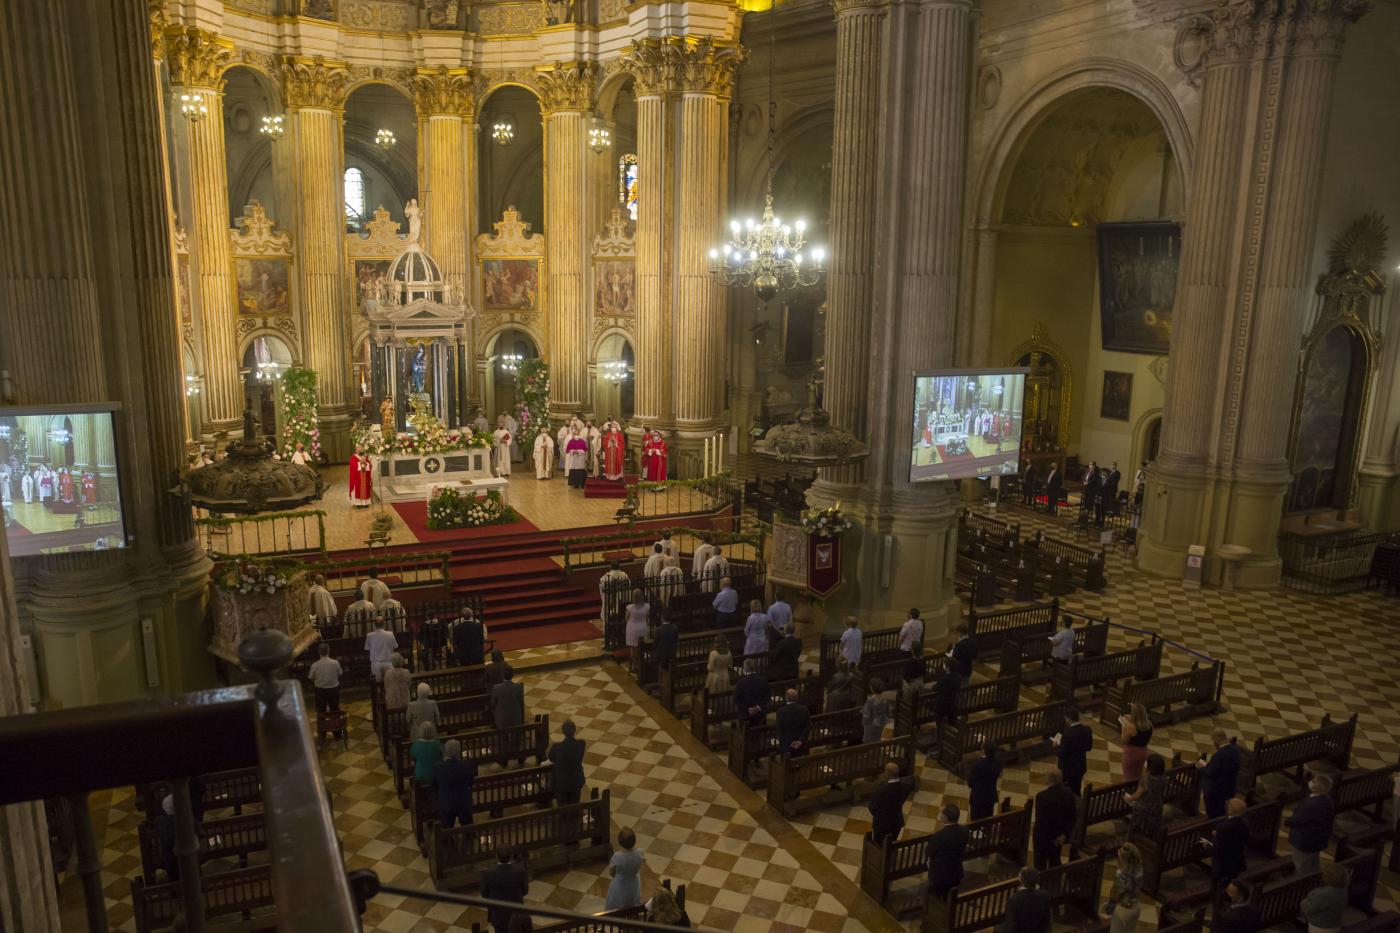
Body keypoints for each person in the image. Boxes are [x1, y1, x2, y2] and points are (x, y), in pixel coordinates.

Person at [1286, 773, 1335, 875]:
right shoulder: (1327, 799)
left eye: (1315, 782)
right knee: (1313, 864)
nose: (1312, 782)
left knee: (1301, 867)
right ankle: (1313, 882)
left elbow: (1298, 820)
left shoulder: (1311, 805)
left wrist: (1288, 821)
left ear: (1319, 788)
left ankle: (1302, 887)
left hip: (1304, 841)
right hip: (1316, 839)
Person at [1032, 769, 1077, 869]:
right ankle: (1054, 881)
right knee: (1055, 859)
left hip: (1043, 837)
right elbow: (1073, 817)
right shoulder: (1069, 794)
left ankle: (1040, 880)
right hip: (1060, 836)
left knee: (1040, 864)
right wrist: (1064, 835)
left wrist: (1052, 837)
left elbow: (1041, 821)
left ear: (1049, 780)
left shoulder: (1041, 797)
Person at [924, 803, 970, 899]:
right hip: (956, 870)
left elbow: (928, 852)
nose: (939, 815)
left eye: (941, 813)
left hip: (940, 874)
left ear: (945, 818)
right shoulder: (965, 830)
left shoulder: (939, 836)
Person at [1204, 796, 1250, 884]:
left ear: (1231, 810)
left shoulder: (1223, 827)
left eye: (1229, 805)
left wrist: (1207, 845)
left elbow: (1217, 851)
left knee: (1218, 885)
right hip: (1237, 861)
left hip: (1222, 865)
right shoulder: (1245, 823)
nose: (1227, 805)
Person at [1198, 728, 1242, 818]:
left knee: (1214, 814)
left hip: (1217, 791)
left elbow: (1211, 773)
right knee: (1224, 811)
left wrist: (1201, 768)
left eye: (1214, 741)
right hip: (1231, 787)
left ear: (1217, 741)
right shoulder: (1235, 751)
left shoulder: (1219, 755)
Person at [867, 762, 914, 844]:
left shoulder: (882, 790)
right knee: (891, 845)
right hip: (896, 822)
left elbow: (872, 808)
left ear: (887, 774)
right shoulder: (905, 787)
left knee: (878, 846)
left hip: (882, 824)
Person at [481, 850, 529, 932]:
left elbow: (484, 894)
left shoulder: (489, 873)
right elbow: (525, 891)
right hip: (516, 915)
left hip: (498, 916)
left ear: (496, 856)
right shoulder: (520, 871)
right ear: (511, 857)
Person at [995, 867, 1052, 933]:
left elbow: (1011, 925)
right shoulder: (1044, 895)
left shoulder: (1014, 899)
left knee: (997, 928)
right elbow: (1047, 921)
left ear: (1020, 879)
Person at [1103, 842, 1143, 933]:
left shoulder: (1121, 875)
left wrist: (1109, 908)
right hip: (1135, 907)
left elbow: (1115, 894)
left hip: (1122, 911)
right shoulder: (1139, 871)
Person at [1126, 753, 1167, 840]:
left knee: (1137, 831)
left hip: (1144, 809)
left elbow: (1137, 795)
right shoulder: (1163, 777)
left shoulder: (1147, 779)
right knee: (1152, 829)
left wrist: (1129, 798)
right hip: (1156, 806)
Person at [1053, 707, 1094, 795]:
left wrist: (1056, 746)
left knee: (1067, 791)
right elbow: (1089, 748)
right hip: (1080, 766)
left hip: (1068, 768)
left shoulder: (1068, 733)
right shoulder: (1087, 730)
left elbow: (1062, 754)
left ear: (1068, 718)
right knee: (1077, 788)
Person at [1301, 861, 1350, 933]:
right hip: (1335, 924)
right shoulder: (1343, 889)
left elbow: (1308, 910)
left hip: (1320, 927)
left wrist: (1304, 904)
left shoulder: (1323, 894)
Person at [547, 719, 586, 805]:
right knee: (574, 806)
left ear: (563, 731)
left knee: (562, 808)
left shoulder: (557, 747)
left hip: (561, 784)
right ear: (574, 730)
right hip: (576, 782)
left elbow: (551, 757)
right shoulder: (581, 745)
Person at [605, 827, 644, 909]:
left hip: (620, 883)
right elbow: (640, 864)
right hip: (634, 881)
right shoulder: (640, 853)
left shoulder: (617, 856)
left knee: (618, 903)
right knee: (633, 901)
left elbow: (611, 873)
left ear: (620, 842)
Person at [966, 742, 1003, 821]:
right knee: (988, 819)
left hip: (978, 796)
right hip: (990, 795)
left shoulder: (978, 765)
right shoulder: (997, 762)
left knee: (976, 821)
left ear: (983, 751)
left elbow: (970, 783)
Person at [1118, 701, 1153, 782]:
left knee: (1129, 778)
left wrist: (1124, 726)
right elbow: (1149, 738)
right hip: (1143, 752)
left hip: (1131, 754)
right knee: (1138, 775)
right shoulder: (1149, 724)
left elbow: (1124, 741)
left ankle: (1130, 793)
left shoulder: (1131, 727)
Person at [308, 643, 343, 713]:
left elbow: (311, 677)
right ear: (329, 651)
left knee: (321, 711)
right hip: (333, 689)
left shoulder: (314, 665)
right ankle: (335, 722)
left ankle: (322, 722)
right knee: (335, 709)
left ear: (318, 652)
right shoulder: (335, 663)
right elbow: (340, 674)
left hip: (320, 691)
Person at [776, 688, 811, 756]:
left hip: (787, 747)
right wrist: (800, 741)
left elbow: (780, 730)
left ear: (786, 698)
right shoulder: (804, 709)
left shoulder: (781, 711)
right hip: (802, 746)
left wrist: (789, 742)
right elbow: (807, 727)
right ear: (797, 698)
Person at [733, 659, 768, 727]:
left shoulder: (741, 683)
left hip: (745, 715)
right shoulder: (763, 680)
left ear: (745, 669)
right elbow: (767, 697)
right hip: (759, 715)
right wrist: (758, 708)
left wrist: (747, 709)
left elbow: (736, 699)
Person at [624, 590, 650, 666]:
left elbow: (626, 618)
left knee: (633, 648)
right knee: (641, 647)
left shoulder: (630, 607)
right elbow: (647, 617)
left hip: (632, 628)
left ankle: (635, 665)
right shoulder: (647, 606)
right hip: (643, 627)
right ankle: (641, 664)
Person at [932, 663, 962, 728]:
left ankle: (939, 729)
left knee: (937, 712)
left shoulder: (944, 679)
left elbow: (935, 688)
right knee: (951, 717)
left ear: (948, 668)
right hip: (953, 702)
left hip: (943, 703)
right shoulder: (958, 676)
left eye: (945, 666)